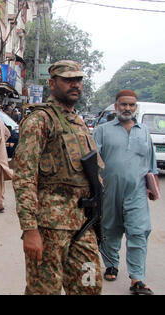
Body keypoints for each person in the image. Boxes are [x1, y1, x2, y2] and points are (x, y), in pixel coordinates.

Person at [12, 60, 104, 295]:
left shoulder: (78, 122)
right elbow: (24, 177)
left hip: (83, 223)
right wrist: (30, 229)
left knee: (89, 285)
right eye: (68, 80)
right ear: (52, 83)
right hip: (49, 228)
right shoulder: (40, 120)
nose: (76, 84)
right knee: (44, 290)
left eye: (79, 80)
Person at [93, 89, 159, 295]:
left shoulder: (144, 132)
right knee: (110, 229)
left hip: (136, 191)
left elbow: (151, 164)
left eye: (131, 105)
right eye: (123, 104)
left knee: (139, 231)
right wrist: (95, 180)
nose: (127, 108)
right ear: (116, 106)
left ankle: (137, 278)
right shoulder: (103, 130)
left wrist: (152, 187)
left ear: (136, 107)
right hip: (109, 190)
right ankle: (111, 263)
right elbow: (92, 158)